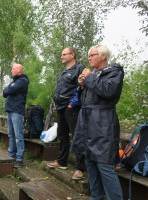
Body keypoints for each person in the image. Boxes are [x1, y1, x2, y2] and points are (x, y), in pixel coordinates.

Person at [71, 45, 124, 199]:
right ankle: (96, 197)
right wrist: (82, 86)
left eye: (92, 55)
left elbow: (108, 91)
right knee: (91, 162)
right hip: (87, 119)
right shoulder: (94, 74)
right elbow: (85, 100)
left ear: (103, 56)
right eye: (88, 56)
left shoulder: (114, 71)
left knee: (104, 163)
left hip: (103, 122)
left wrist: (89, 78)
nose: (89, 58)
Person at [47, 47, 86, 180]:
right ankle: (62, 161)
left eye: (64, 54)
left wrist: (72, 104)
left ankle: (79, 168)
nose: (62, 57)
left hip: (72, 108)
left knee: (77, 136)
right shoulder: (64, 72)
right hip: (61, 107)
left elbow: (81, 88)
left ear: (72, 55)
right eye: (61, 54)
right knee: (62, 135)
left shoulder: (80, 69)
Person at [3, 63, 29, 169]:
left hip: (17, 111)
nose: (11, 70)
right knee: (11, 135)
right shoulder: (14, 81)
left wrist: (9, 88)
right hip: (10, 110)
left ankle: (19, 159)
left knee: (18, 136)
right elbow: (5, 92)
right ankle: (11, 155)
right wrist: (9, 88)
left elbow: (9, 90)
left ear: (19, 70)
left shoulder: (23, 81)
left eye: (13, 69)